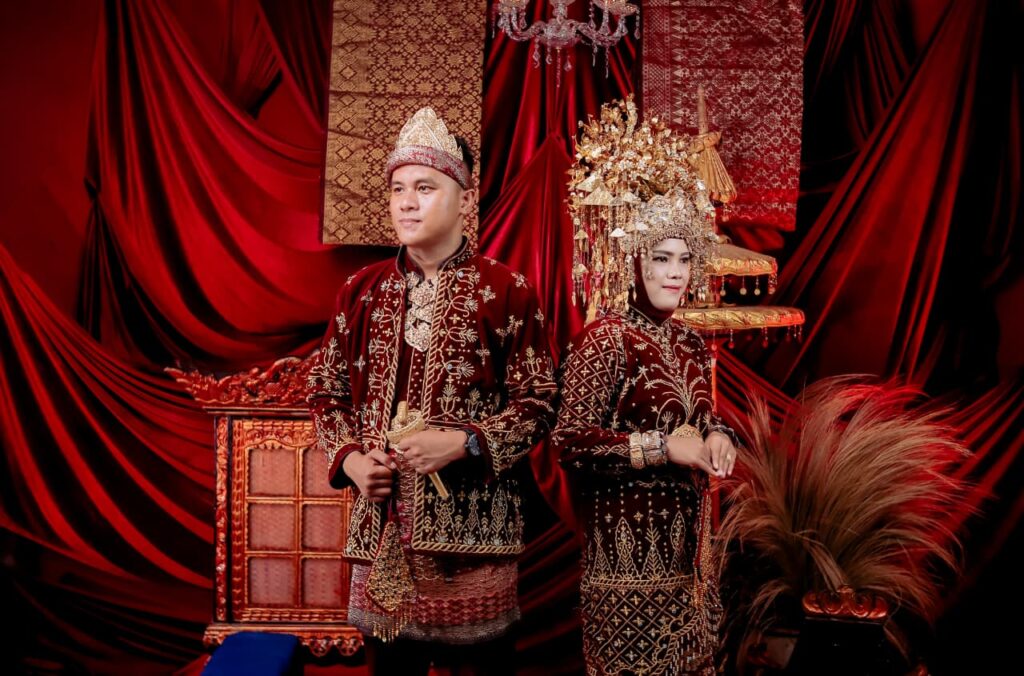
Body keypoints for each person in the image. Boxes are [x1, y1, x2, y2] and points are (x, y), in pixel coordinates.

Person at [307, 107, 557, 674]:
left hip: (474, 539)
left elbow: (540, 402)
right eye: (398, 189)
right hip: (381, 533)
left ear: (465, 199)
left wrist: (465, 442)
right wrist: (350, 460)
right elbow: (326, 392)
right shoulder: (360, 291)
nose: (407, 203)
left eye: (425, 188)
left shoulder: (506, 291)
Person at [552, 99, 740, 675]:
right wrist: (664, 449)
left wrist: (719, 436)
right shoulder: (604, 339)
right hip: (625, 572)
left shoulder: (688, 342)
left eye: (684, 259)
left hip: (693, 565)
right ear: (634, 260)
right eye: (661, 258)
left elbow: (704, 417)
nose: (676, 273)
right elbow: (570, 442)